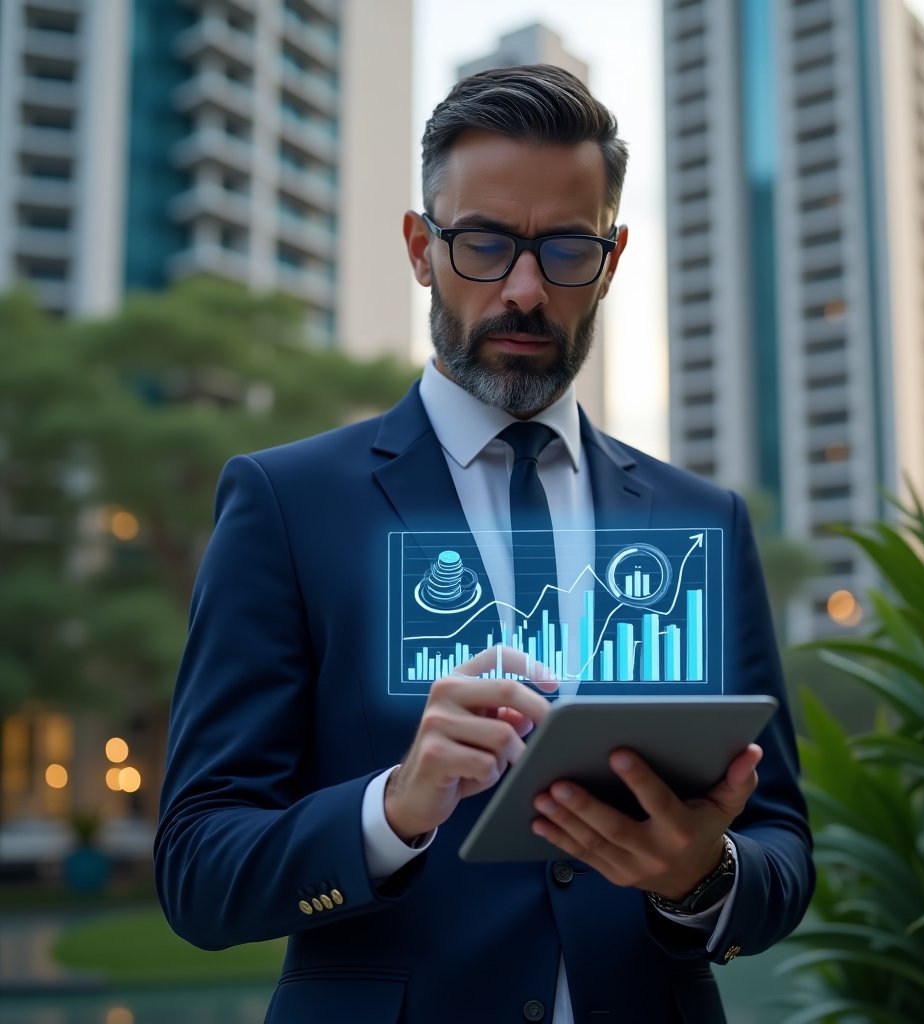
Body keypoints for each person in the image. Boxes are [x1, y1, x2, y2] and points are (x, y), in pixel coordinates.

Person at [156, 64, 813, 1023]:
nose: (524, 289)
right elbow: (197, 870)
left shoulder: (700, 519)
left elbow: (782, 851)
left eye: (565, 250)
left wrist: (700, 874)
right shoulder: (288, 504)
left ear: (614, 258)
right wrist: (395, 808)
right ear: (421, 248)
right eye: (486, 244)